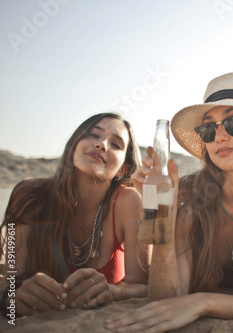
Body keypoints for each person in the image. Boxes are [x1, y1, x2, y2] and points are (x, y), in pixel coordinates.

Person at [105, 72, 233, 332]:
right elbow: (163, 301)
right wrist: (161, 216)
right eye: (208, 128)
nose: (219, 136)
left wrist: (202, 302)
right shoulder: (190, 198)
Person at [0, 113, 148, 318]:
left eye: (116, 144)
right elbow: (11, 277)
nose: (102, 144)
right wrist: (13, 295)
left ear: (122, 170)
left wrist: (114, 290)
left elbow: (143, 285)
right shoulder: (28, 195)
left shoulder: (128, 202)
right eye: (93, 135)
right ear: (73, 146)